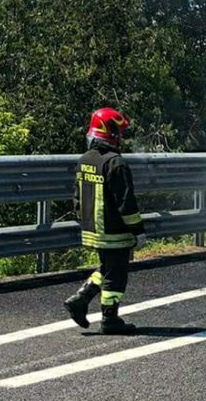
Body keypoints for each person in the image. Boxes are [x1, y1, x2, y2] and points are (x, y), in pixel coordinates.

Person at [63, 108, 147, 334]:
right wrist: (138, 231)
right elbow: (125, 203)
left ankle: (80, 300)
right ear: (108, 131)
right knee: (116, 276)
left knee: (108, 269)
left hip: (93, 229)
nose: (120, 137)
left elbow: (76, 197)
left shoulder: (85, 160)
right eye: (118, 132)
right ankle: (110, 319)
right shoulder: (115, 163)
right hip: (114, 231)